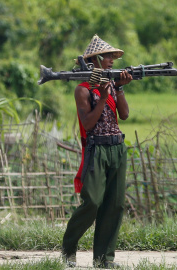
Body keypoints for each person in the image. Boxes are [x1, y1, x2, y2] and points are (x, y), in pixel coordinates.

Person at [61, 34, 132, 268]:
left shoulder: (112, 83)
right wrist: (102, 96)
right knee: (92, 201)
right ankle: (69, 247)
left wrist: (118, 89)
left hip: (117, 148)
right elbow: (89, 123)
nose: (112, 60)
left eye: (113, 56)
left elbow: (124, 115)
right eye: (108, 56)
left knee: (115, 205)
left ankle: (104, 260)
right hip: (97, 149)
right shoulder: (83, 90)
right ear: (97, 60)